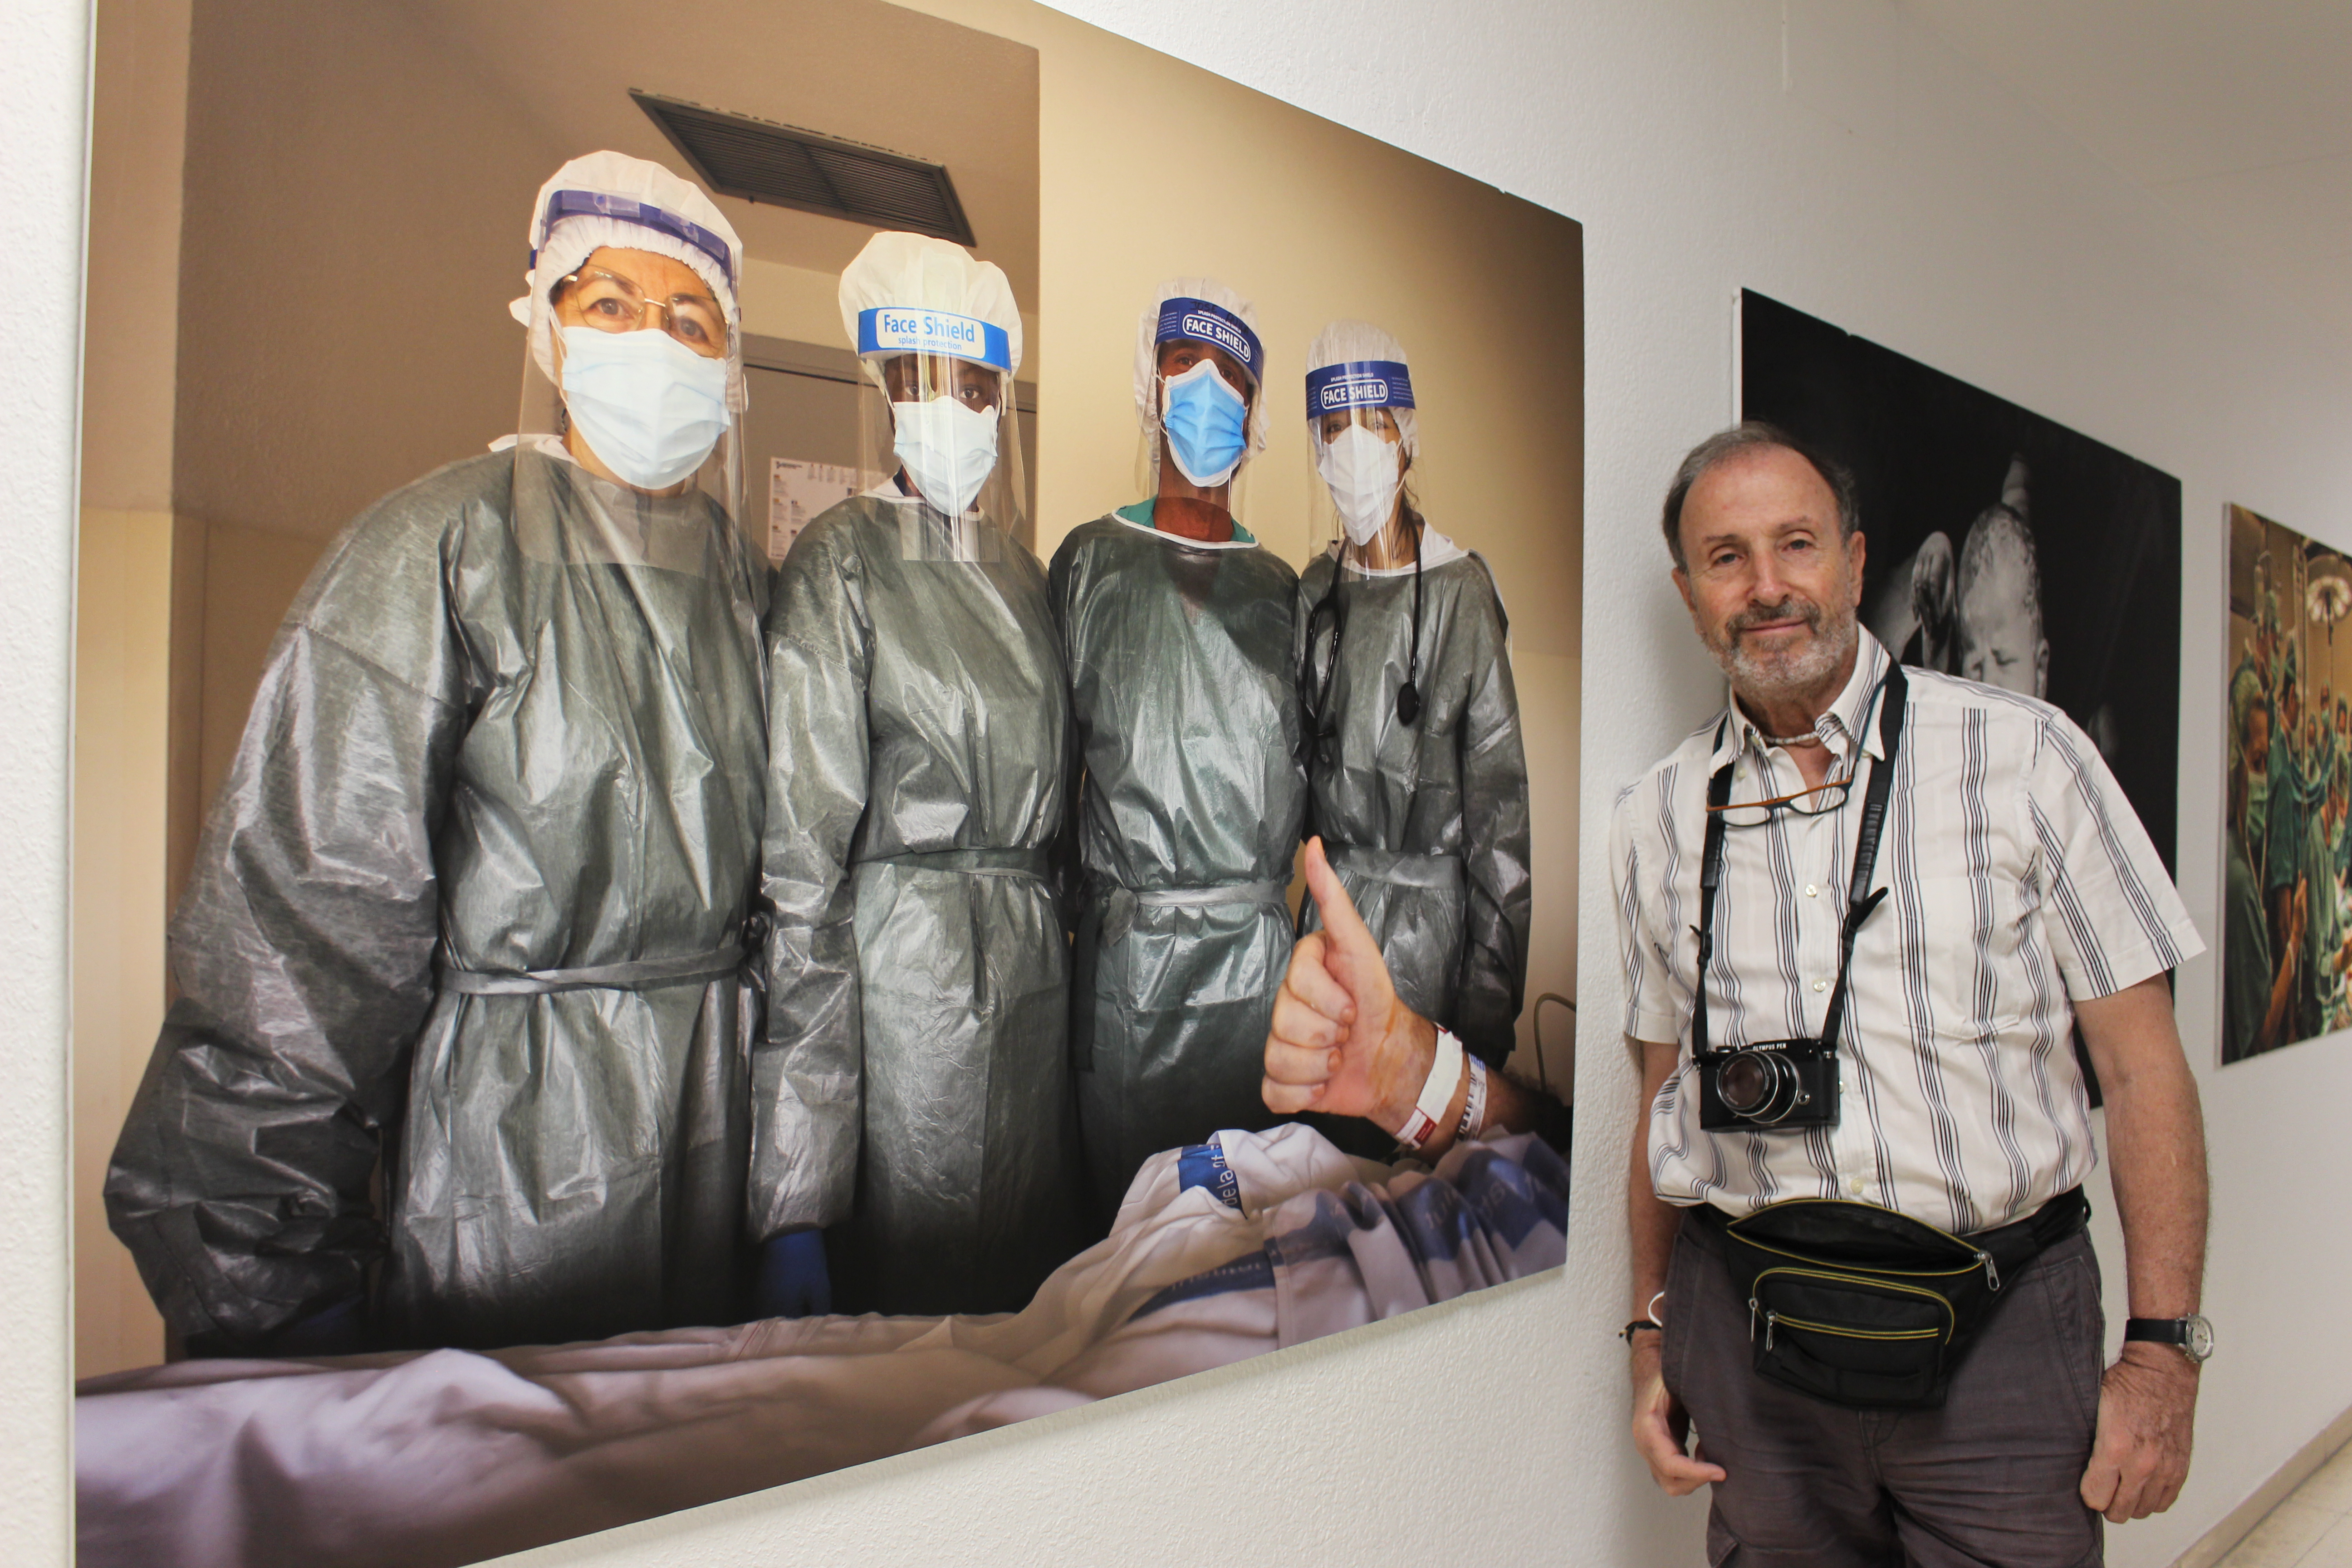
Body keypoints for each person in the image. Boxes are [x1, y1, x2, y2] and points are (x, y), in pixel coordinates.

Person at [106, 152, 771, 1353]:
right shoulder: (438, 549)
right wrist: (269, 1294)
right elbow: (302, 943)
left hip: (714, 1136)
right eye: (610, 303)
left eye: (691, 319)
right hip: (509, 1158)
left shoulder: (740, 584)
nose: (654, 342)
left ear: (730, 369)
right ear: (547, 327)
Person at [1613, 423, 2210, 1564]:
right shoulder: (1654, 815)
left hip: (1999, 1337)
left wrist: (2159, 1349)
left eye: (1795, 544)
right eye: (1726, 556)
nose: (1767, 584)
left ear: (1852, 559)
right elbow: (1656, 1095)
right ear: (1690, 594)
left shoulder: (2026, 756)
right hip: (1750, 1341)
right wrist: (1648, 1334)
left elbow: (2142, 1070)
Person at [751, 230, 1077, 1316]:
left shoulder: (1029, 582)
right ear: (887, 390)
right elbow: (800, 865)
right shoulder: (839, 559)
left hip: (1032, 991)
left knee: (1024, 1329)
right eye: (924, 381)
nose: (954, 407)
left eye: (977, 385)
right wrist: (797, 1187)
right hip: (895, 992)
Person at [1051, 279, 1308, 1219]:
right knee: (1125, 1247)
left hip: (1255, 970)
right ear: (1150, 389)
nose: (1205, 391)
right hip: (1131, 973)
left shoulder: (1284, 593)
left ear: (1256, 416)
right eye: (1182, 368)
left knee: (1249, 1244)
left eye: (1231, 377)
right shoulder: (1089, 564)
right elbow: (1049, 790)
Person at [1293, 321, 1532, 1078]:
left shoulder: (1461, 594)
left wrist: (1485, 1012)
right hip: (1327, 927)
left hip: (1433, 946)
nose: (1355, 448)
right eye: (1334, 430)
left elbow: (1501, 824)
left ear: (1407, 439)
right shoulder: (1313, 592)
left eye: (1375, 425)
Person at [2223, 692, 2301, 1063]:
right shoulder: (2238, 882)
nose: (2262, 779)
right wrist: (2297, 939)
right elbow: (2261, 1037)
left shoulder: (2238, 859)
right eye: (2257, 761)